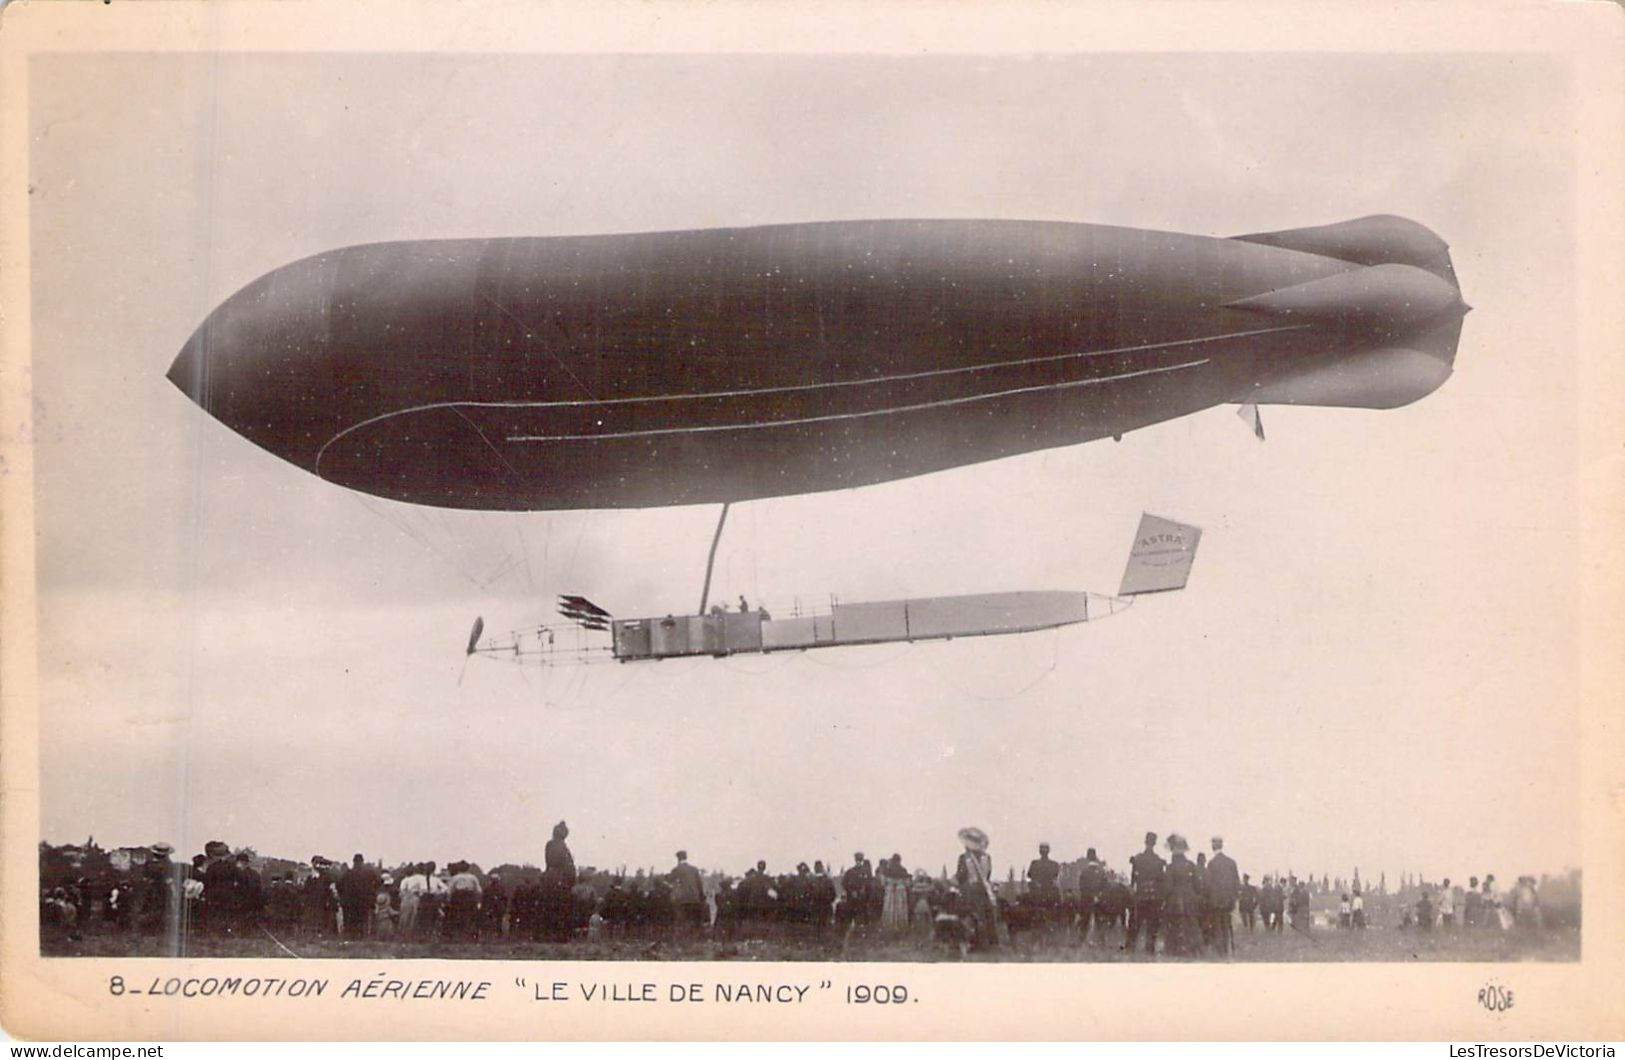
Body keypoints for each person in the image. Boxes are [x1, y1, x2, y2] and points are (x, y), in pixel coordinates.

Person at [955, 828, 998, 951]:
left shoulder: (964, 858)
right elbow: (988, 874)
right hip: (984, 890)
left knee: (971, 916)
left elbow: (961, 875)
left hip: (970, 890)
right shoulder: (987, 857)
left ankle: (974, 943)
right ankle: (989, 943)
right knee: (985, 916)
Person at [1124, 831, 1165, 955]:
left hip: (1140, 896)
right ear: (1155, 843)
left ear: (1145, 842)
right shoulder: (1158, 861)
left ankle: (1130, 949)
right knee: (1152, 926)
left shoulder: (1137, 859)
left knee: (1135, 924)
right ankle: (1149, 950)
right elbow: (1161, 881)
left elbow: (1133, 881)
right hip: (1154, 897)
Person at [1161, 835, 1200, 957]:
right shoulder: (1191, 865)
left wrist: (1165, 898)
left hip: (1174, 900)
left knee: (1174, 925)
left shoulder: (1171, 867)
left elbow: (1167, 888)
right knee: (1191, 924)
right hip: (1190, 898)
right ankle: (1192, 949)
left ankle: (1175, 950)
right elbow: (1197, 885)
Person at [540, 821, 577, 942]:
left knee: (547, 908)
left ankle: (545, 933)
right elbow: (569, 867)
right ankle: (561, 935)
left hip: (548, 877)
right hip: (560, 880)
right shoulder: (563, 847)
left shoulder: (549, 845)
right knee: (562, 909)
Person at [1205, 837, 1240, 957]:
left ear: (1213, 847)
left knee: (1217, 925)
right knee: (1226, 924)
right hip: (1228, 901)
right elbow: (1236, 883)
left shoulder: (1211, 864)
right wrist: (1233, 898)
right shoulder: (1231, 862)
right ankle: (1228, 948)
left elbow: (1208, 884)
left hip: (1215, 901)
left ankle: (1220, 950)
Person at [339, 854, 380, 940]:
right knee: (363, 920)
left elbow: (339, 886)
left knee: (351, 921)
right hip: (364, 901)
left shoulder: (348, 873)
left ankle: (351, 936)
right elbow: (377, 884)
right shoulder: (369, 873)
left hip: (350, 902)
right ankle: (362, 936)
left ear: (353, 862)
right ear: (362, 861)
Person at [668, 851, 707, 934]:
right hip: (695, 898)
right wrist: (701, 897)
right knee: (695, 919)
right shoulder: (694, 869)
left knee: (683, 919)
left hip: (683, 899)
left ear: (678, 859)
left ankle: (685, 935)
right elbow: (699, 884)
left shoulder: (677, 869)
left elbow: (669, 880)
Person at [1075, 848, 1107, 945]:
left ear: (1088, 857)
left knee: (1084, 922)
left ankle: (1081, 942)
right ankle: (1102, 943)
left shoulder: (1084, 872)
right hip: (1099, 900)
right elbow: (1105, 886)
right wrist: (1097, 895)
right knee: (1100, 923)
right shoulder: (1101, 872)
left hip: (1086, 900)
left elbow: (1081, 887)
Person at [880, 854, 911, 935]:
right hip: (900, 892)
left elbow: (883, 883)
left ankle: (890, 929)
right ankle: (900, 928)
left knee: (890, 910)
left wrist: (890, 883)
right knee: (900, 910)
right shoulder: (903, 870)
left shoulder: (887, 870)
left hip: (891, 892)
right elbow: (907, 884)